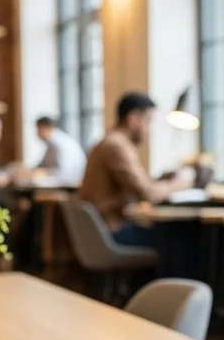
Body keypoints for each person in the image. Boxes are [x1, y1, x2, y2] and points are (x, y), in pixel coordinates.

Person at [77, 92, 194, 247]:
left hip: (104, 229)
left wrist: (163, 179)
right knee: (183, 235)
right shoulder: (116, 146)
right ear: (133, 119)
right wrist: (183, 183)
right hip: (111, 232)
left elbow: (139, 186)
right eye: (148, 121)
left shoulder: (112, 142)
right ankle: (174, 273)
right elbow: (147, 193)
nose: (149, 130)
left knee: (176, 232)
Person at [32, 116, 87, 187]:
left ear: (46, 128)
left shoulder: (60, 144)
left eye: (38, 129)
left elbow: (64, 173)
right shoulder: (52, 143)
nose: (37, 134)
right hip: (66, 180)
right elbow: (43, 164)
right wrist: (32, 171)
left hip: (71, 182)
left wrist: (41, 173)